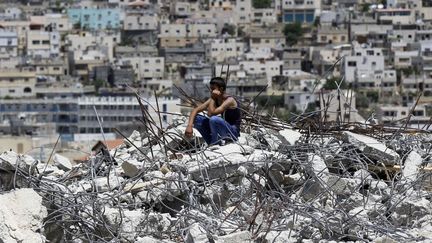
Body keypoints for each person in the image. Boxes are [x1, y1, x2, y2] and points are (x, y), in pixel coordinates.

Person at [184, 77, 241, 145]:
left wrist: (213, 97)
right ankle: (211, 142)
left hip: (232, 132)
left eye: (213, 89)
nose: (211, 91)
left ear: (221, 89)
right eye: (211, 89)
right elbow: (195, 110)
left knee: (214, 119)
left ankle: (215, 143)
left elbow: (210, 114)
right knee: (197, 119)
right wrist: (189, 126)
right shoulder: (215, 98)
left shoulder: (229, 100)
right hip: (222, 129)